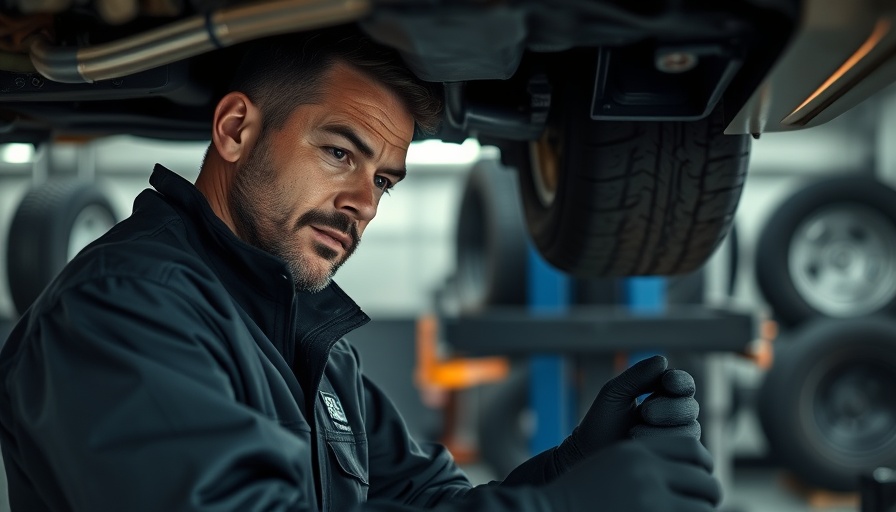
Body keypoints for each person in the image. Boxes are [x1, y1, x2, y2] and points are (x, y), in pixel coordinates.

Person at [0, 29, 721, 512]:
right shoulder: (123, 309)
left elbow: (427, 504)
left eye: (383, 181)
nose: (360, 204)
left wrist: (570, 467)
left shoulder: (307, 342)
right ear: (234, 130)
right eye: (340, 153)